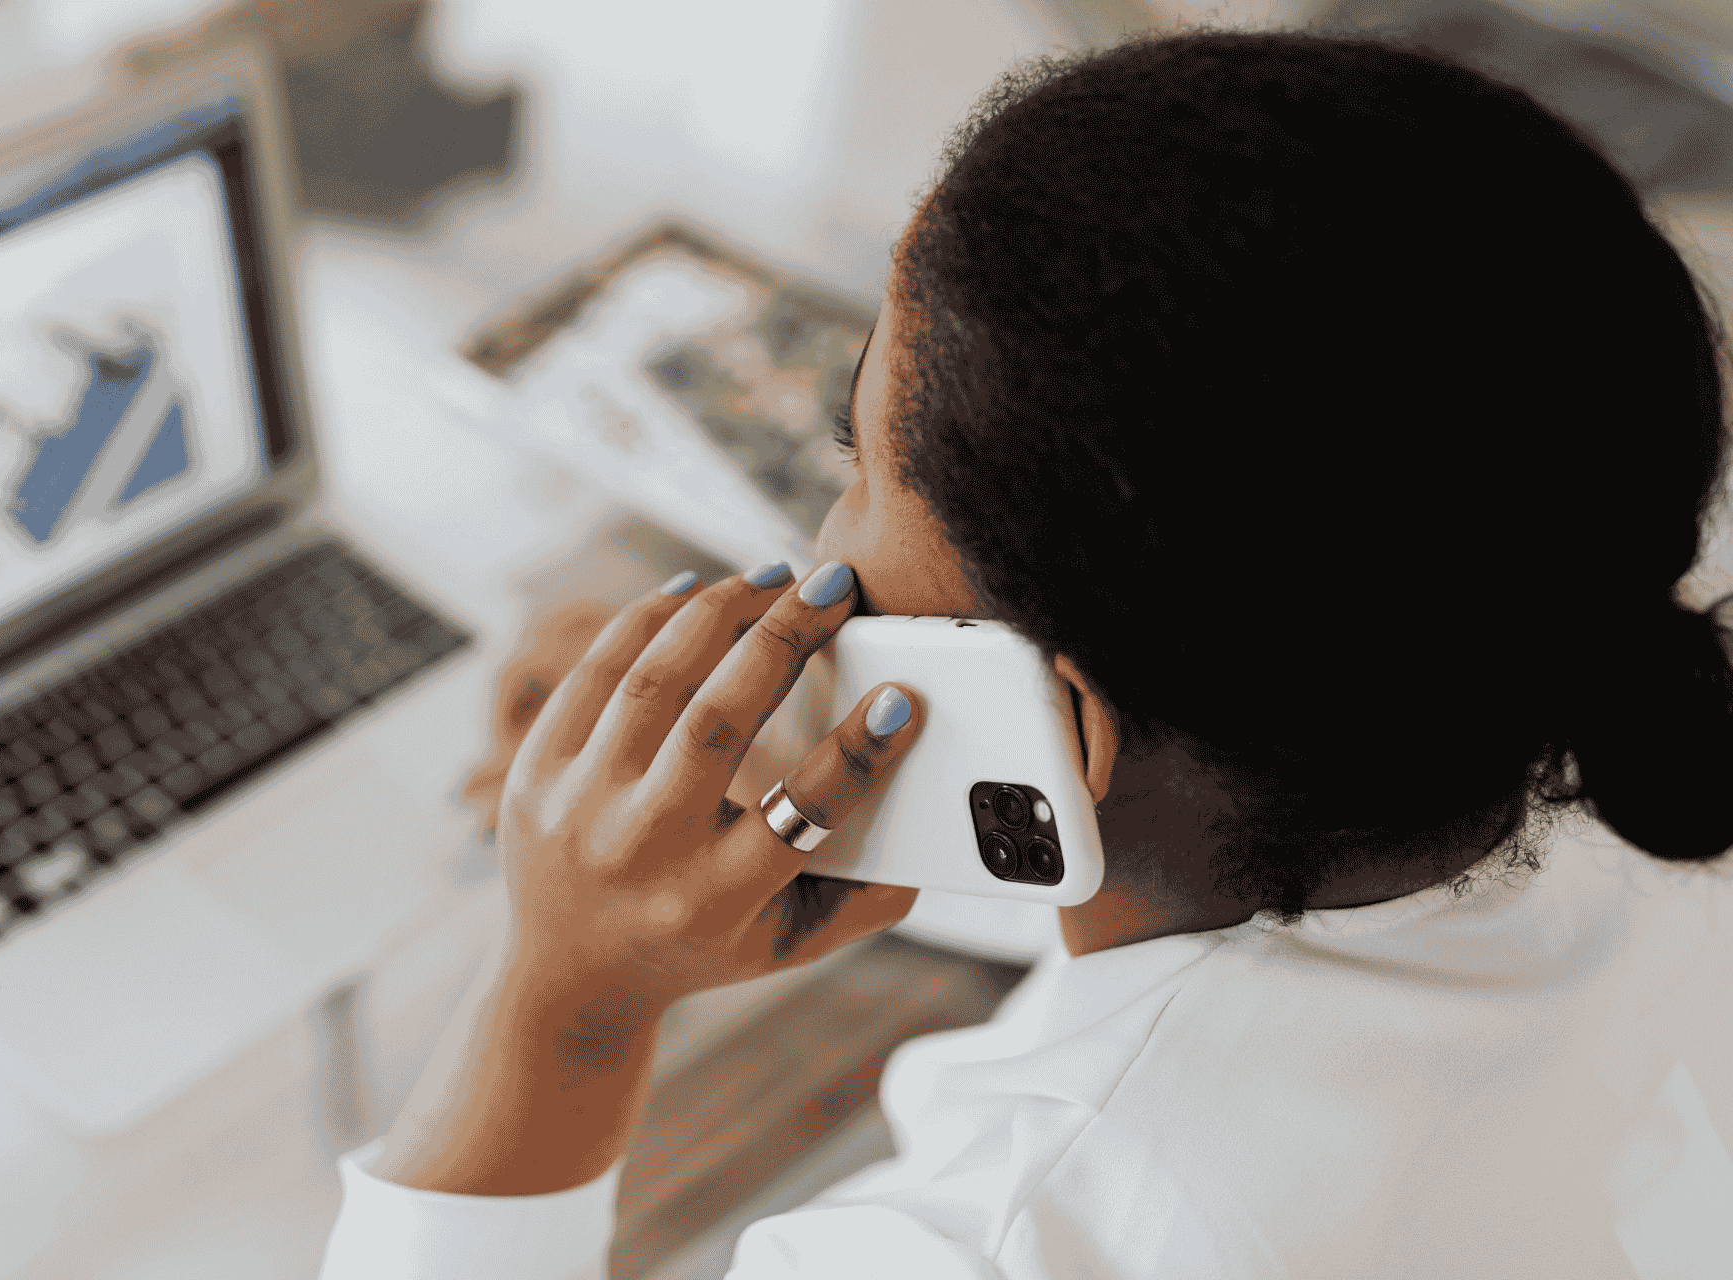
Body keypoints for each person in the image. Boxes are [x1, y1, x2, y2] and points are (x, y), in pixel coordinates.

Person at [318, 28, 1733, 1279]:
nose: (824, 527)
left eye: (854, 462)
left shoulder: (998, 1242)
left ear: (1068, 729)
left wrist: (568, 998)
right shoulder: (1572, 694)